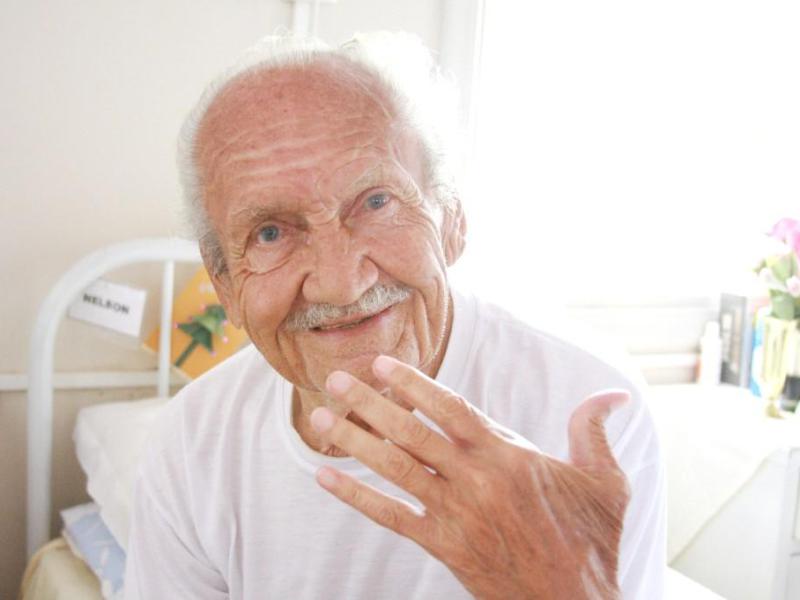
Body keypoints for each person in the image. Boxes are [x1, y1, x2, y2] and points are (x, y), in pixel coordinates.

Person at [124, 31, 666, 599]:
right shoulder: (189, 446)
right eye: (270, 233)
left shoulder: (586, 412)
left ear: (452, 219)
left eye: (376, 202)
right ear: (225, 285)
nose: (340, 283)